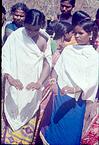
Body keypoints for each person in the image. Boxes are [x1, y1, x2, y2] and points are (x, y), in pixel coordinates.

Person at [40, 19, 98, 145]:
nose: (76, 36)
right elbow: (57, 69)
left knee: (70, 133)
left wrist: (74, 89)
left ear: (91, 34)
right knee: (54, 130)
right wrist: (53, 82)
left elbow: (91, 82)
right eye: (75, 33)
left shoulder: (94, 56)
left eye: (81, 33)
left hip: (76, 102)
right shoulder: (68, 50)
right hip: (60, 96)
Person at [1, 9, 52, 144]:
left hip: (32, 88)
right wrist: (9, 77)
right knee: (11, 115)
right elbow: (5, 57)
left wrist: (39, 82)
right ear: (24, 23)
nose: (30, 33)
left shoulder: (44, 39)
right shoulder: (15, 36)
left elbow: (48, 63)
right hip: (14, 85)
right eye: (28, 28)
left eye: (35, 30)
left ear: (41, 26)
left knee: (28, 115)